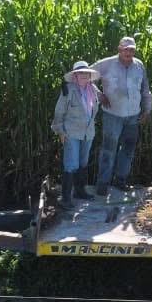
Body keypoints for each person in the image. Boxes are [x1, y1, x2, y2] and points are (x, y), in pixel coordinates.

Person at [90, 36, 152, 198]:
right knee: (108, 150)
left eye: (132, 49)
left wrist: (146, 110)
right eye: (126, 49)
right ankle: (102, 184)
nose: (129, 52)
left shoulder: (139, 66)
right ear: (119, 49)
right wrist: (99, 95)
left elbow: (145, 89)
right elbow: (86, 77)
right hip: (113, 115)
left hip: (133, 116)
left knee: (128, 150)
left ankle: (120, 181)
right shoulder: (106, 64)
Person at [50, 60, 102, 209]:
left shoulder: (93, 89)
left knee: (83, 162)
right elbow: (59, 112)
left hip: (88, 132)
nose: (84, 75)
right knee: (71, 164)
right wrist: (60, 131)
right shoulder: (67, 90)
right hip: (71, 132)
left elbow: (98, 105)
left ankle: (80, 191)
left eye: (86, 73)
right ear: (75, 76)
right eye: (80, 73)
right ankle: (66, 199)